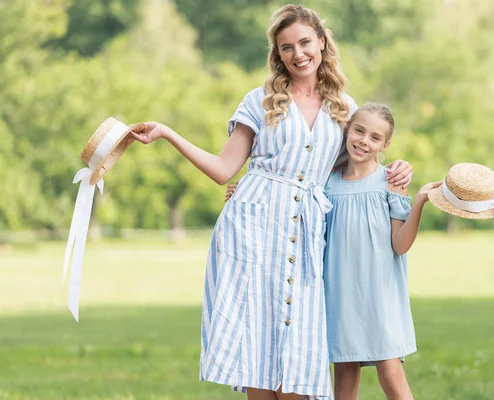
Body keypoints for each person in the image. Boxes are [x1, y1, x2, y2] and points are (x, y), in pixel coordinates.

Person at [131, 5, 412, 400]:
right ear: (276, 54)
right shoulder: (261, 100)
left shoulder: (344, 108)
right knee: (257, 354)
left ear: (322, 42)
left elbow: (360, 162)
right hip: (254, 230)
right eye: (285, 48)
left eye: (304, 43)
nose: (298, 55)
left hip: (308, 237)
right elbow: (224, 168)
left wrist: (399, 169)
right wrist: (167, 133)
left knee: (299, 364)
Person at [325, 103, 441, 400]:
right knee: (345, 377)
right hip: (340, 294)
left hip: (380, 293)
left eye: (375, 137)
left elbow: (400, 245)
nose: (364, 141)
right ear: (348, 129)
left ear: (385, 144)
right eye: (359, 130)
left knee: (390, 372)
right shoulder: (327, 183)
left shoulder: (391, 182)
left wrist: (419, 202)